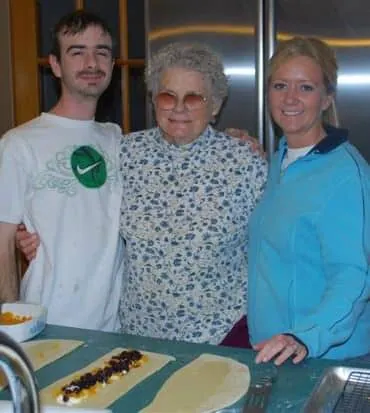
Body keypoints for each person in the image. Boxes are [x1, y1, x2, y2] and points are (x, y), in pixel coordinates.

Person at [117, 42, 268, 345]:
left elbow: (274, 251)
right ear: (154, 101)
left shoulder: (245, 161)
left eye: (194, 98)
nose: (179, 107)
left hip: (223, 336)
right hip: (139, 337)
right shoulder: (125, 153)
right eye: (167, 95)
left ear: (214, 107)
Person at [248, 36, 369, 365]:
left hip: (326, 356)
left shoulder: (346, 175)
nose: (290, 98)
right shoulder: (281, 160)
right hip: (275, 351)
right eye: (280, 85)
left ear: (327, 98)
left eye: (306, 88)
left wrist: (305, 336)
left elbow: (355, 276)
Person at [0, 10, 125, 331]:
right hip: (47, 322)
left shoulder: (117, 139)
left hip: (117, 329)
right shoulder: (19, 143)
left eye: (102, 52)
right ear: (55, 65)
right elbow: (2, 243)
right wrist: (13, 330)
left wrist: (235, 142)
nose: (92, 63)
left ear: (112, 65)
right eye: (77, 52)